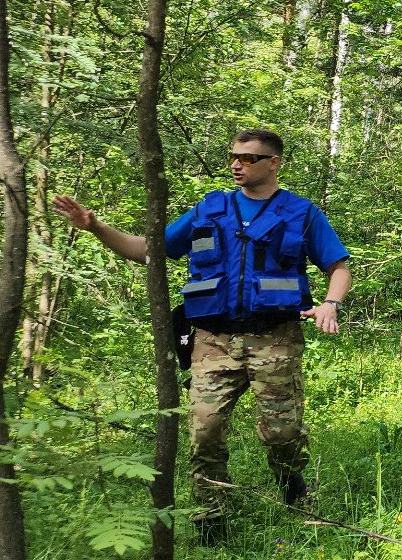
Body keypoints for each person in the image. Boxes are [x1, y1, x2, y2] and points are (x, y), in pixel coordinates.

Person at [53, 129, 351, 539]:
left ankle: (291, 482)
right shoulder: (209, 210)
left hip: (275, 338)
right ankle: (212, 517)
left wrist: (331, 304)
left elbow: (338, 267)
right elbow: (148, 250)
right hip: (212, 341)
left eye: (248, 158)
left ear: (273, 163)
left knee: (283, 434)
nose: (237, 165)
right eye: (233, 157)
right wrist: (94, 226)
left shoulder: (301, 213)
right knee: (205, 431)